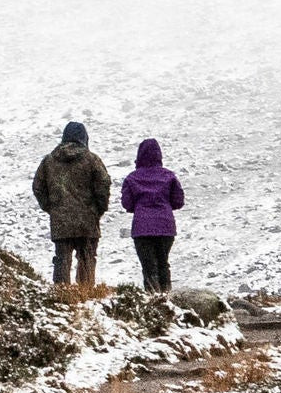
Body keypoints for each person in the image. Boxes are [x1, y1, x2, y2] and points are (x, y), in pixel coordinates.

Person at [31, 121, 114, 289]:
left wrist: (51, 207)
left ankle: (61, 294)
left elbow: (38, 187)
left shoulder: (49, 161)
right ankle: (86, 293)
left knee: (62, 259)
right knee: (87, 258)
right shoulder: (92, 160)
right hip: (87, 219)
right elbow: (103, 184)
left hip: (61, 220)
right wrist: (100, 208)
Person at [121, 137, 186, 292]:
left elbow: (126, 203)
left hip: (142, 228)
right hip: (165, 227)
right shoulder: (169, 176)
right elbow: (178, 201)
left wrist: (140, 207)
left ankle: (153, 300)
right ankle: (167, 298)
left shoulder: (132, 178)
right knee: (163, 263)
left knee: (148, 267)